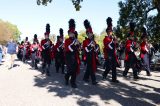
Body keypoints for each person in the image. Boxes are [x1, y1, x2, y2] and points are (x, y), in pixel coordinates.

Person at [102, 17, 119, 83]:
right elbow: (108, 46)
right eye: (109, 32)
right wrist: (113, 42)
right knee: (109, 67)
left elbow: (116, 47)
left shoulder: (113, 38)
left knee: (114, 67)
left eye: (111, 31)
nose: (110, 33)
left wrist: (116, 42)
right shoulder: (105, 39)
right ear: (107, 32)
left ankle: (114, 79)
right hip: (108, 54)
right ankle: (104, 74)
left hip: (113, 54)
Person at [64, 19, 80, 88]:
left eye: (72, 33)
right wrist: (74, 44)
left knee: (74, 70)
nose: (71, 34)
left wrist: (78, 45)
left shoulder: (76, 40)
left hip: (75, 56)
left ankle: (73, 82)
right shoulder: (67, 40)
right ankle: (66, 78)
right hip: (69, 56)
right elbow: (68, 48)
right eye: (70, 33)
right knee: (70, 70)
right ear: (68, 34)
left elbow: (78, 49)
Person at [82, 19, 98, 85]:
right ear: (87, 34)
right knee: (91, 68)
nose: (90, 34)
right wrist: (91, 46)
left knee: (89, 68)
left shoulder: (94, 41)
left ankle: (85, 77)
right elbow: (86, 50)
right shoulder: (85, 41)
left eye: (91, 33)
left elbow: (96, 50)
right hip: (88, 56)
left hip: (93, 55)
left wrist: (95, 47)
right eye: (88, 33)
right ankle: (93, 80)